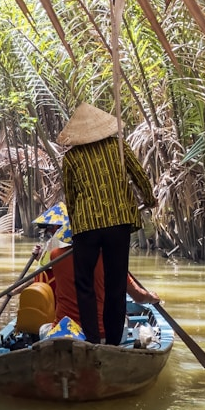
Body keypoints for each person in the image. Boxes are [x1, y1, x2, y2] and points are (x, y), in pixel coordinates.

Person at [58, 103, 157, 345]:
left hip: (86, 227)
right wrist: (150, 199)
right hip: (118, 224)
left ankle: (92, 340)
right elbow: (140, 177)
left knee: (84, 284)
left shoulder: (71, 158)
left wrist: (77, 222)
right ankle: (112, 342)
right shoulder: (118, 147)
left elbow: (70, 197)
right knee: (116, 283)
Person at [32, 202, 159, 341]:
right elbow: (138, 297)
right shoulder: (111, 259)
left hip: (64, 331)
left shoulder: (55, 255)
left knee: (43, 328)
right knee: (123, 320)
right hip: (100, 334)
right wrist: (151, 298)